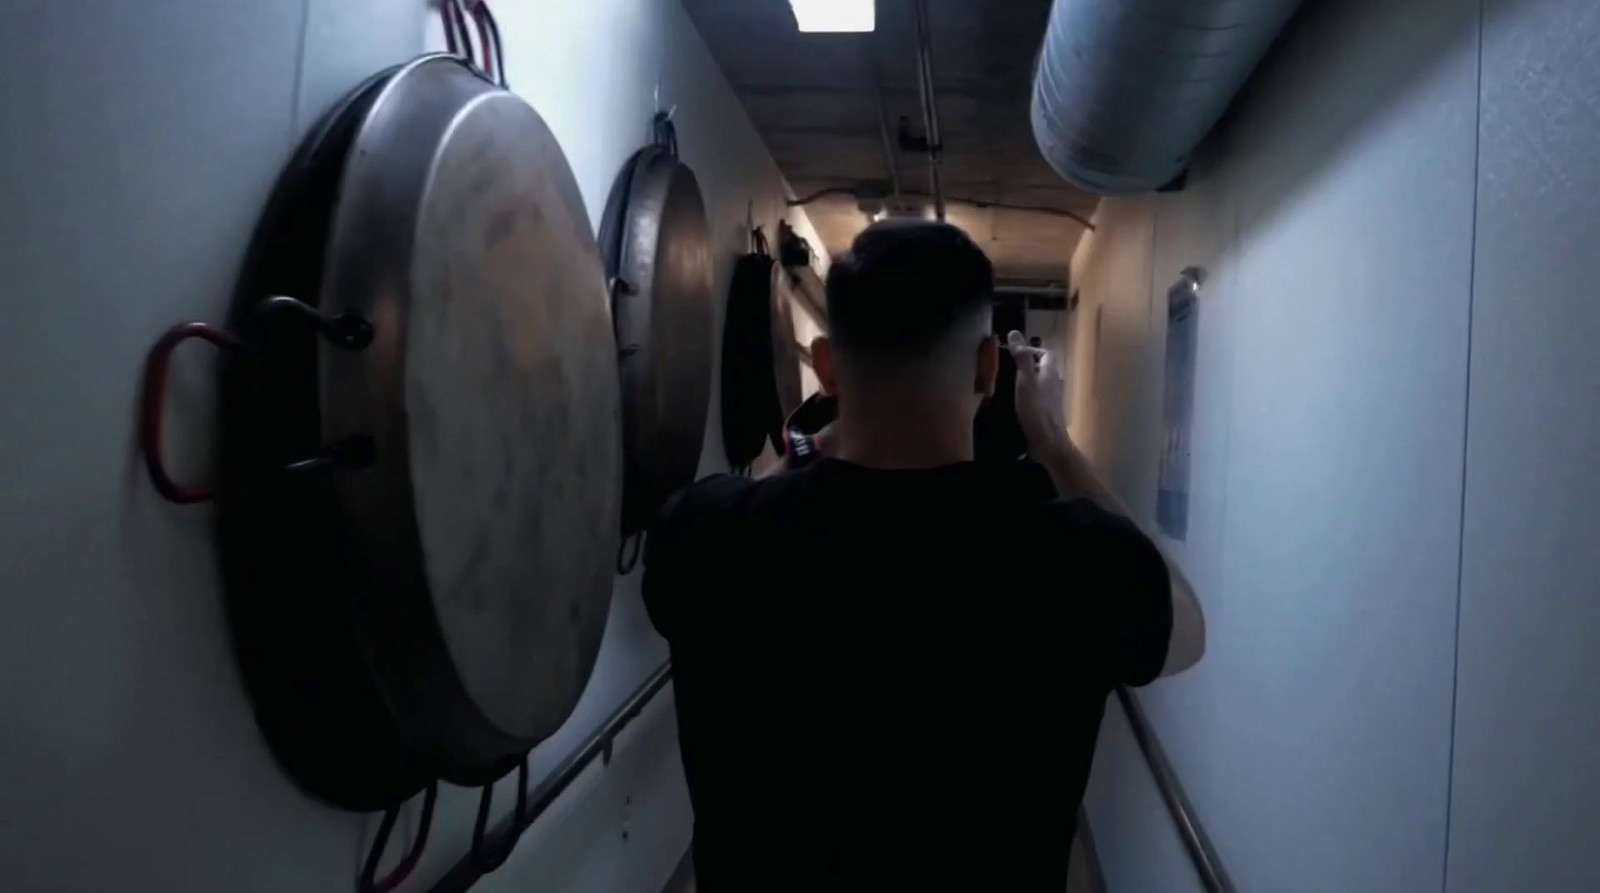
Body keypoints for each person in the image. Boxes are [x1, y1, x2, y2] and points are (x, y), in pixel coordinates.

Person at [642, 220, 1206, 891]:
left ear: (824, 368)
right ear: (989, 368)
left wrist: (813, 443)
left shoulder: (707, 537)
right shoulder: (1073, 558)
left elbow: (749, 505)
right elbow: (1187, 629)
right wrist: (1054, 443)